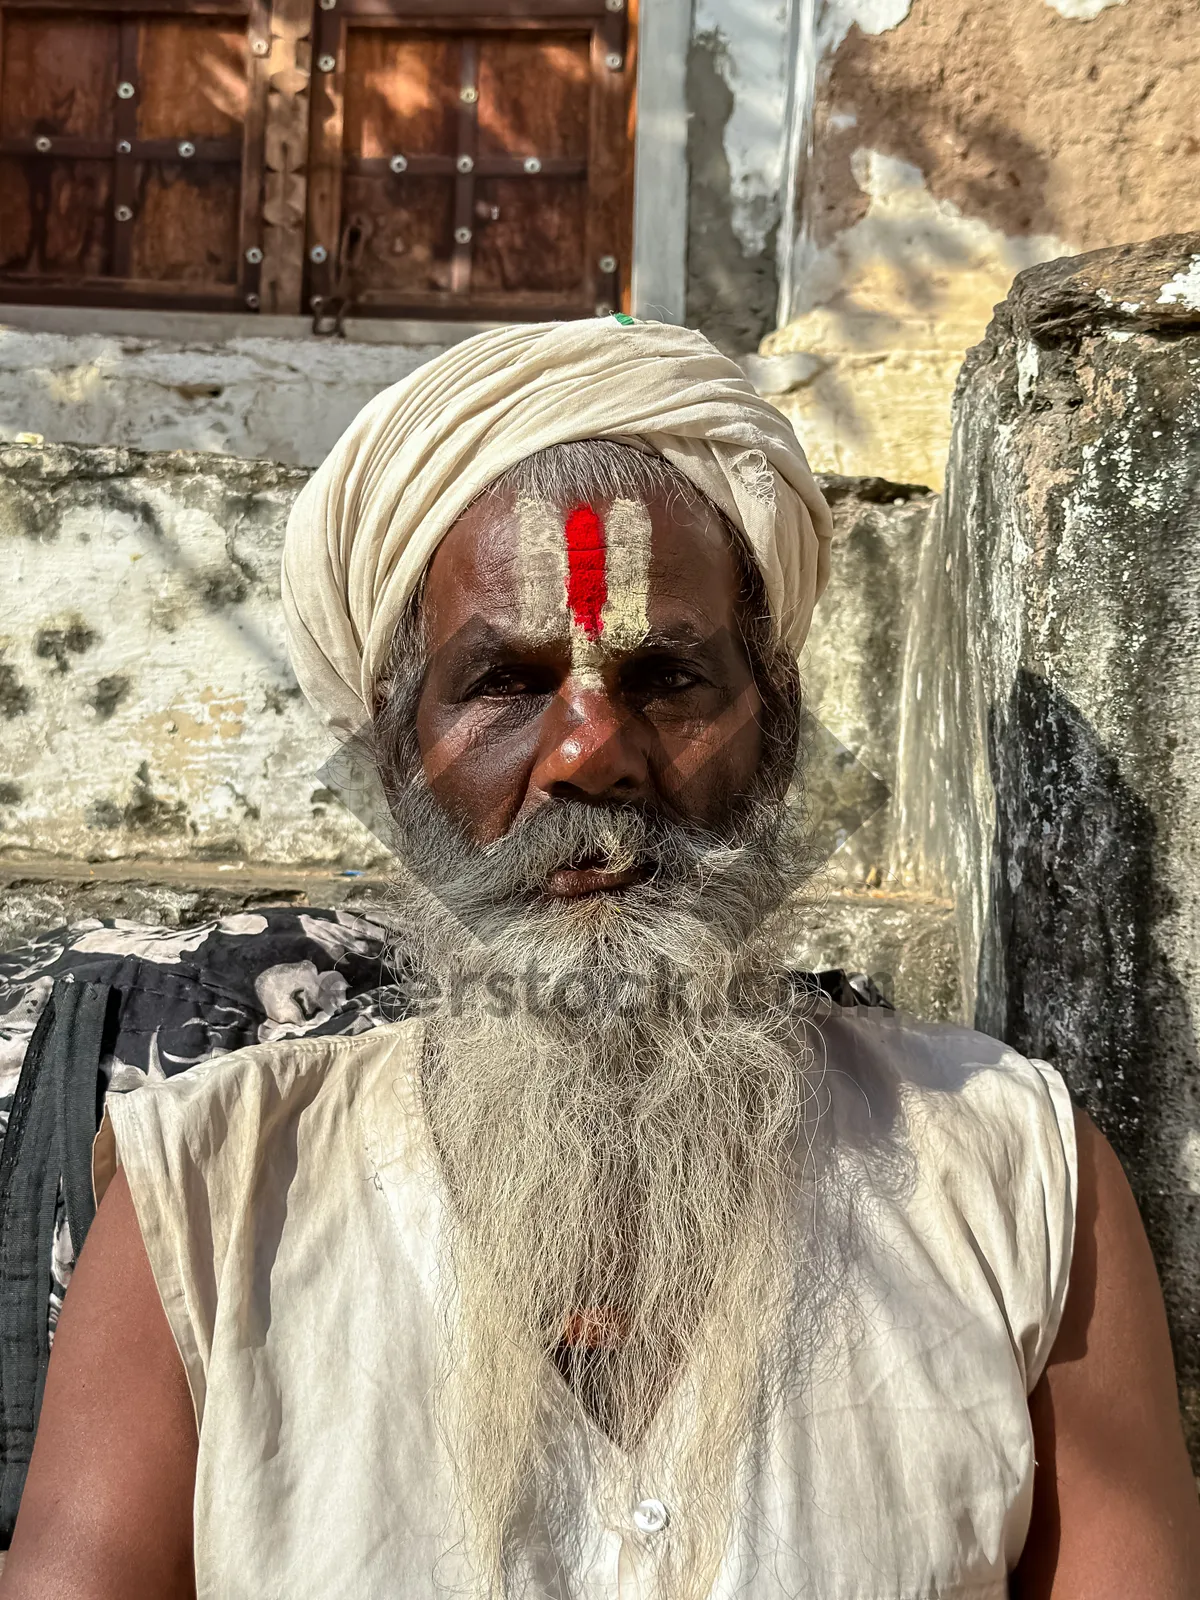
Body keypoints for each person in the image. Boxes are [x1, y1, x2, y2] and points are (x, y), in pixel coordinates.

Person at [3, 319, 1197, 1600]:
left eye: (669, 676)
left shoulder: (1017, 1179)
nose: (591, 753)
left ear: (777, 736)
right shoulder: (210, 1202)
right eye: (511, 683)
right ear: (400, 765)